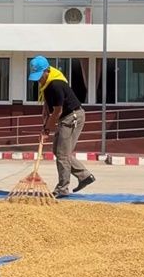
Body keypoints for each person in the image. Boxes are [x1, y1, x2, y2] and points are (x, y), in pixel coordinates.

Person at [29, 55, 95, 198]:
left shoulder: (56, 84)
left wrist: (47, 129)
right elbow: (48, 107)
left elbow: (57, 110)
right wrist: (44, 122)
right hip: (64, 117)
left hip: (73, 117)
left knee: (63, 154)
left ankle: (62, 188)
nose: (39, 79)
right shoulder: (46, 85)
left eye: (40, 76)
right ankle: (85, 176)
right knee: (58, 151)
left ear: (47, 71)